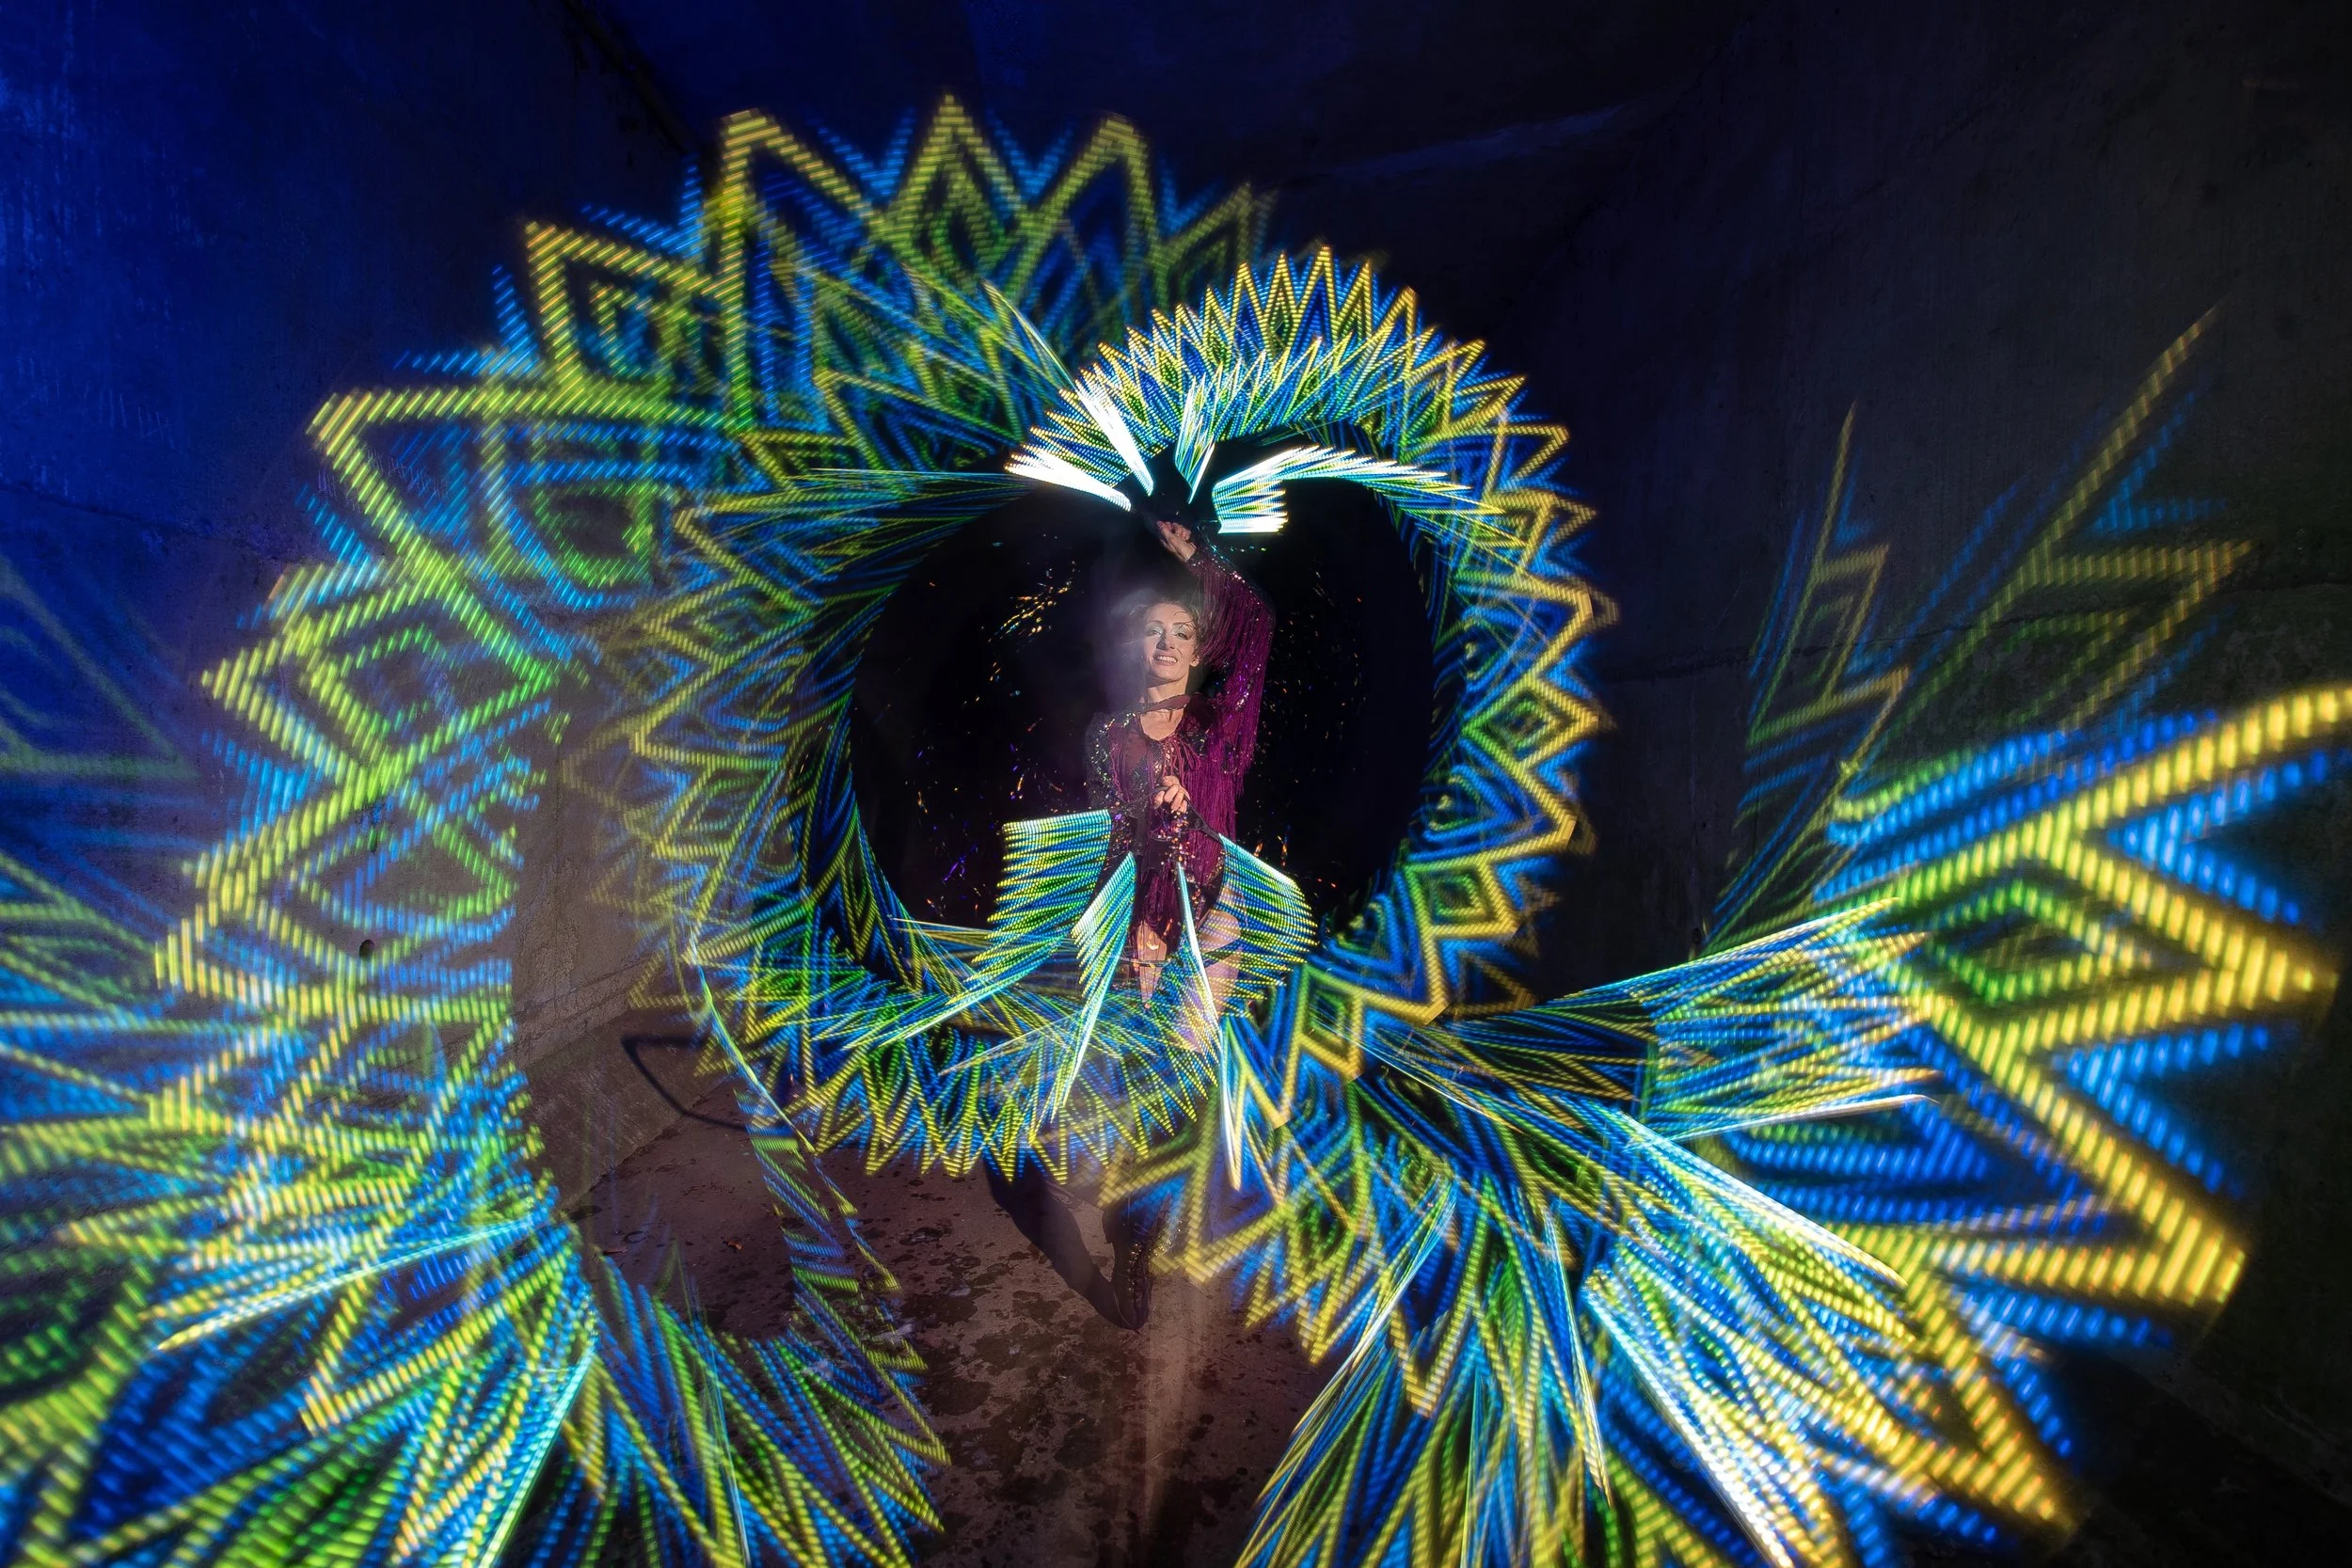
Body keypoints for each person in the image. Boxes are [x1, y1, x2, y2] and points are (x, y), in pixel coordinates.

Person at [986, 475, 1273, 1331]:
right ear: (1132, 645)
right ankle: (1124, 1214)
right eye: (1151, 629)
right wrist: (1135, 923)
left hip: (1208, 923)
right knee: (1111, 1099)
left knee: (1171, 1089)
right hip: (1134, 929)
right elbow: (1116, 841)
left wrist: (1198, 558)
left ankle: (1141, 1229)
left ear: (1197, 646)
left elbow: (1256, 633)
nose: (1165, 642)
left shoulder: (1222, 734)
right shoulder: (1107, 741)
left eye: (1182, 630)